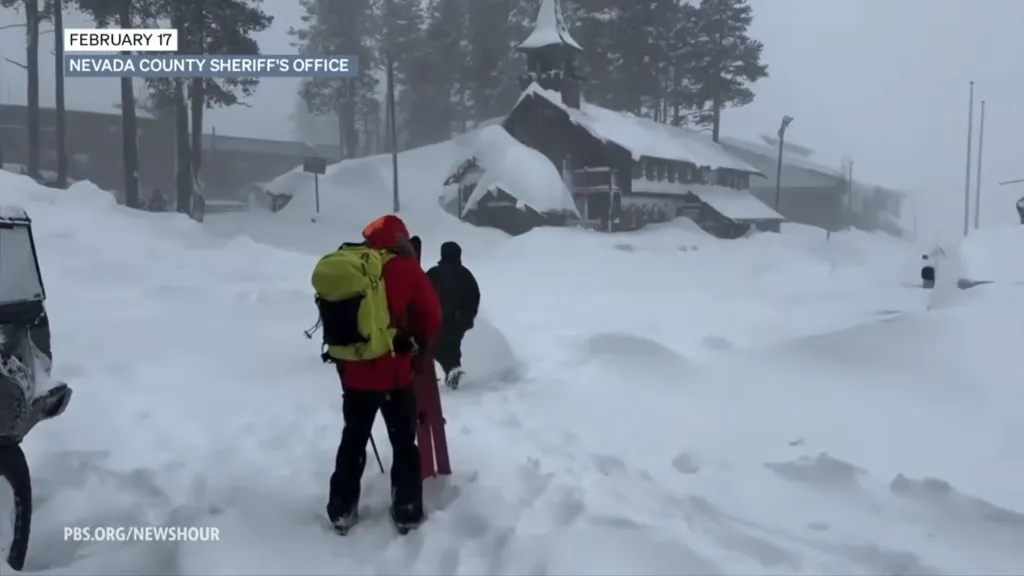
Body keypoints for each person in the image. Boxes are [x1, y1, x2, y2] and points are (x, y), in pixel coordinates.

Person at [326, 215, 442, 532]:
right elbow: (432, 316)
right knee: (404, 442)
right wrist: (419, 348)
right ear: (401, 239)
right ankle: (406, 509)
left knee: (353, 439)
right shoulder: (406, 269)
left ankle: (341, 509)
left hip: (355, 374)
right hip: (394, 373)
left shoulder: (351, 266)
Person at [426, 241, 479, 389]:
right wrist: (468, 317)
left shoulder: (434, 273)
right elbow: (475, 297)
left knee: (435, 347)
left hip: (437, 319)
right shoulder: (466, 275)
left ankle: (449, 370)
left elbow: (421, 292)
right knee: (452, 346)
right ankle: (453, 371)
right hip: (459, 320)